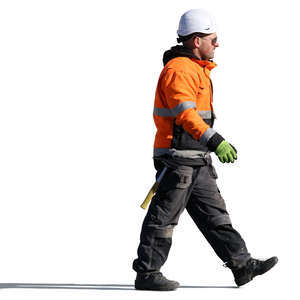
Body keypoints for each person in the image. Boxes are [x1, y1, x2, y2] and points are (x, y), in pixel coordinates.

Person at [132, 8, 278, 291]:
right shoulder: (179, 70)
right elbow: (186, 116)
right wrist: (216, 140)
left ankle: (242, 265)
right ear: (196, 40)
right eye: (213, 39)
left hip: (195, 158)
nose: (217, 44)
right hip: (177, 159)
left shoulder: (195, 69)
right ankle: (147, 273)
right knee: (163, 218)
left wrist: (208, 146)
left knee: (215, 216)